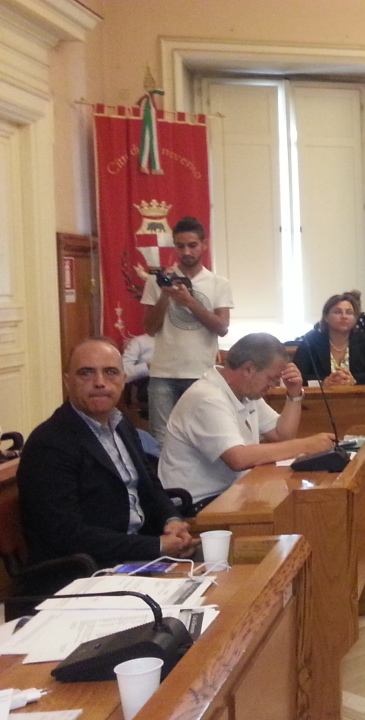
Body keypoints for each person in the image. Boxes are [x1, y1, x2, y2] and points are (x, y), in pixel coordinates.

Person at [18, 338, 197, 577]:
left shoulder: (122, 425)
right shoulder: (49, 443)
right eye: (86, 373)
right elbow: (66, 535)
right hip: (87, 570)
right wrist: (157, 546)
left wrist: (172, 520)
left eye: (110, 372)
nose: (100, 382)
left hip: (139, 557)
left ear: (123, 379)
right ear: (67, 381)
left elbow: (151, 487)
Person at [159, 333, 336, 510]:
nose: (273, 386)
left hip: (231, 491)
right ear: (248, 369)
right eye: (271, 378)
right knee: (298, 508)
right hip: (197, 503)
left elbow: (281, 435)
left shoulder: (246, 392)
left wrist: (294, 393)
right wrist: (306, 445)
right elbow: (238, 458)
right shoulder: (207, 397)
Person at [141, 216, 233, 448]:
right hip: (163, 374)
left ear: (204, 245)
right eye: (180, 246)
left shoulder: (219, 283)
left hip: (201, 374)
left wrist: (190, 302)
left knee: (204, 440)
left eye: (192, 245)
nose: (186, 252)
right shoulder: (158, 281)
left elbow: (222, 328)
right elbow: (150, 328)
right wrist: (165, 293)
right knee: (162, 442)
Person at [295, 290, 365, 386]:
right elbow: (298, 375)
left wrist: (353, 380)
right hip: (321, 395)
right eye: (338, 312)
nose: (344, 316)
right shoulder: (310, 341)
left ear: (355, 318)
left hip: (359, 394)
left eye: (349, 313)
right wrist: (323, 382)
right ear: (326, 317)